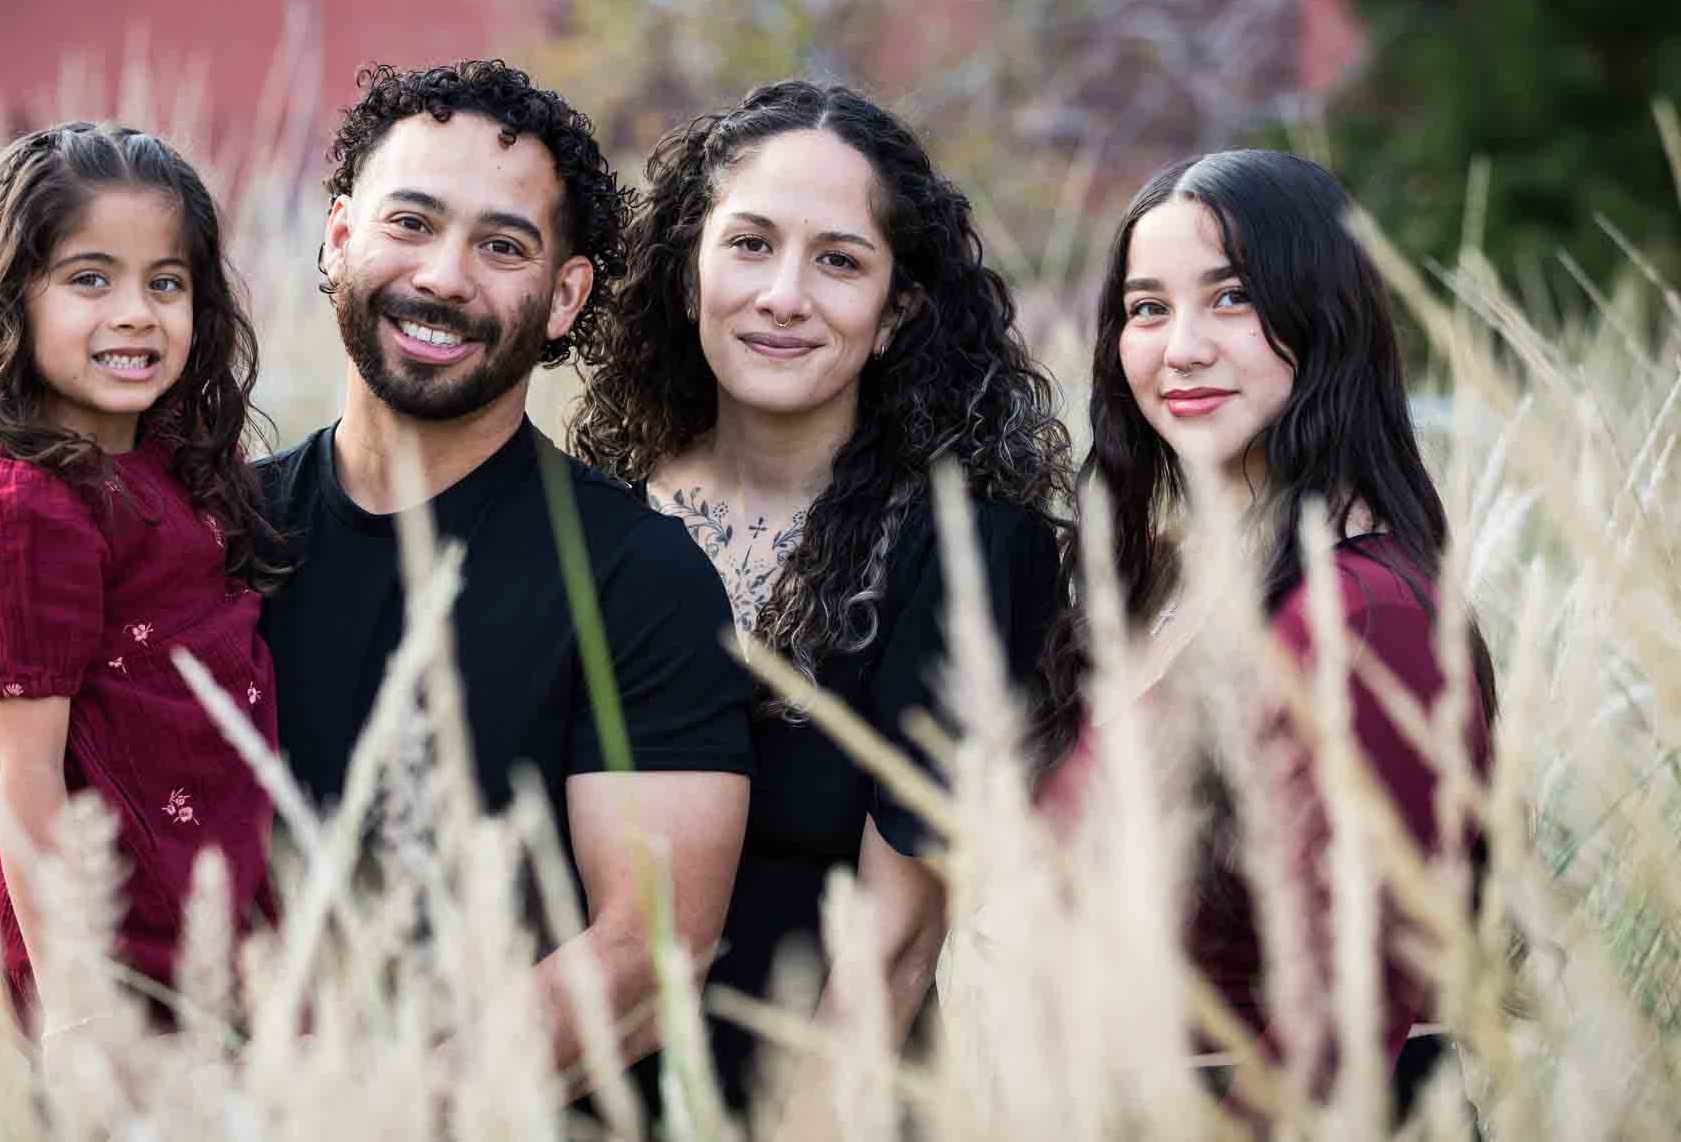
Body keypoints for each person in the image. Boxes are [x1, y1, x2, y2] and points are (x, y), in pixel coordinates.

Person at [567, 80, 1072, 1119]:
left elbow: (893, 950)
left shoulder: (969, 550)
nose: (783, 295)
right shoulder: (590, 524)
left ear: (895, 314)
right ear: (684, 271)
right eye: (748, 244)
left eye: (837, 260)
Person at [256, 61, 754, 1082]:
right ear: (340, 236)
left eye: (501, 245)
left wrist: (368, 1113)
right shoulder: (199, 533)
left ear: (565, 296)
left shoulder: (638, 577)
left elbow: (648, 949)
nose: (444, 276)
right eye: (410, 223)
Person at [1037, 149, 1495, 1117]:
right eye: (1145, 308)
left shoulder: (1358, 612)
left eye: (1230, 299)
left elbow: (1342, 1023)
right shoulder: (1168, 585)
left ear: (1322, 319)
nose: (1180, 347)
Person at [0, 123, 286, 1043]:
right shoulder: (23, 513)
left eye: (167, 282)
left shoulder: (169, 465)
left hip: (203, 914)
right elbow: (21, 785)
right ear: (11, 304)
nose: (138, 312)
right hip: (107, 956)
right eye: (90, 278)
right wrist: (79, 1019)